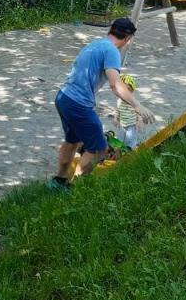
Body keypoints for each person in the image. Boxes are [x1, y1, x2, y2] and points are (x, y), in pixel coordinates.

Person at [49, 17, 155, 191]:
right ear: (128, 38)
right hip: (78, 104)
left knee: (72, 141)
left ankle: (58, 182)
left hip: (63, 97)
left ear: (110, 30)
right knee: (98, 148)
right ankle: (74, 189)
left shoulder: (95, 44)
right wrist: (137, 105)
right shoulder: (112, 51)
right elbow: (115, 84)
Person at [114, 73, 140, 150]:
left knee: (130, 139)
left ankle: (130, 150)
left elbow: (138, 111)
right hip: (122, 124)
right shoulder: (119, 101)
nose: (126, 92)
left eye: (128, 89)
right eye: (123, 89)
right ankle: (119, 150)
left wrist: (139, 121)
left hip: (132, 124)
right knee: (120, 138)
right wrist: (116, 118)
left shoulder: (133, 101)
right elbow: (118, 110)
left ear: (132, 90)